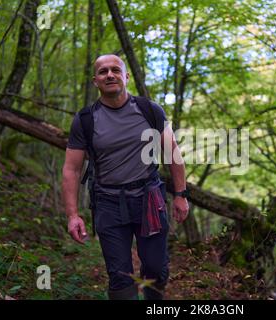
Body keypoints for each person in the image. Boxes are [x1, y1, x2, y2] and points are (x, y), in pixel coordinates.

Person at [61, 54, 189, 300]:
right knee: (119, 276)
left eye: (115, 70)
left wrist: (181, 195)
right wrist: (73, 215)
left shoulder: (149, 110)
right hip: (108, 202)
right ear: (95, 81)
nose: (109, 75)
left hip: (149, 198)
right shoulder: (85, 120)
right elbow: (71, 169)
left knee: (155, 270)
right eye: (103, 71)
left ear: (126, 77)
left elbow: (172, 154)